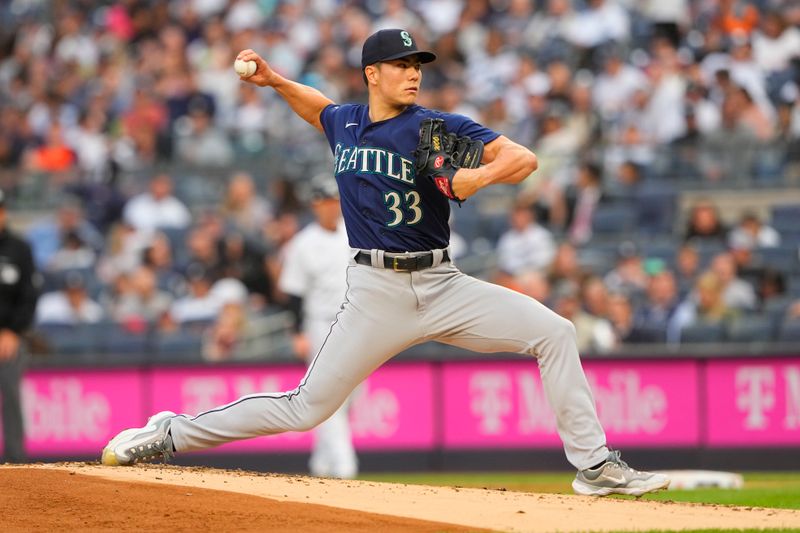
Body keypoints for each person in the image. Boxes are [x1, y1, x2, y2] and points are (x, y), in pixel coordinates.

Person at [101, 29, 669, 497]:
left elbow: (523, 157)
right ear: (372, 73)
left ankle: (595, 467)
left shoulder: (432, 128)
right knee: (306, 410)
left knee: (556, 332)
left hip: (444, 283)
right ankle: (170, 433)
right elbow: (317, 107)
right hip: (376, 291)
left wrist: (478, 175)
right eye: (401, 64)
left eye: (417, 63)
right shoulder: (345, 123)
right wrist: (274, 81)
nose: (413, 72)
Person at [278, 178, 358, 479]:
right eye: (327, 200)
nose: (332, 206)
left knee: (351, 395)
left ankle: (321, 464)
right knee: (329, 395)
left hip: (354, 323)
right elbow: (293, 294)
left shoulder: (352, 235)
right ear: (316, 204)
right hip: (321, 325)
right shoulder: (303, 243)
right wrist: (297, 333)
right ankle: (344, 468)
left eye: (336, 200)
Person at [0, 189, 39, 463]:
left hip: (8, 338)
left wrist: (13, 331)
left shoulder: (19, 248)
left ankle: (16, 463)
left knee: (11, 396)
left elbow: (29, 295)